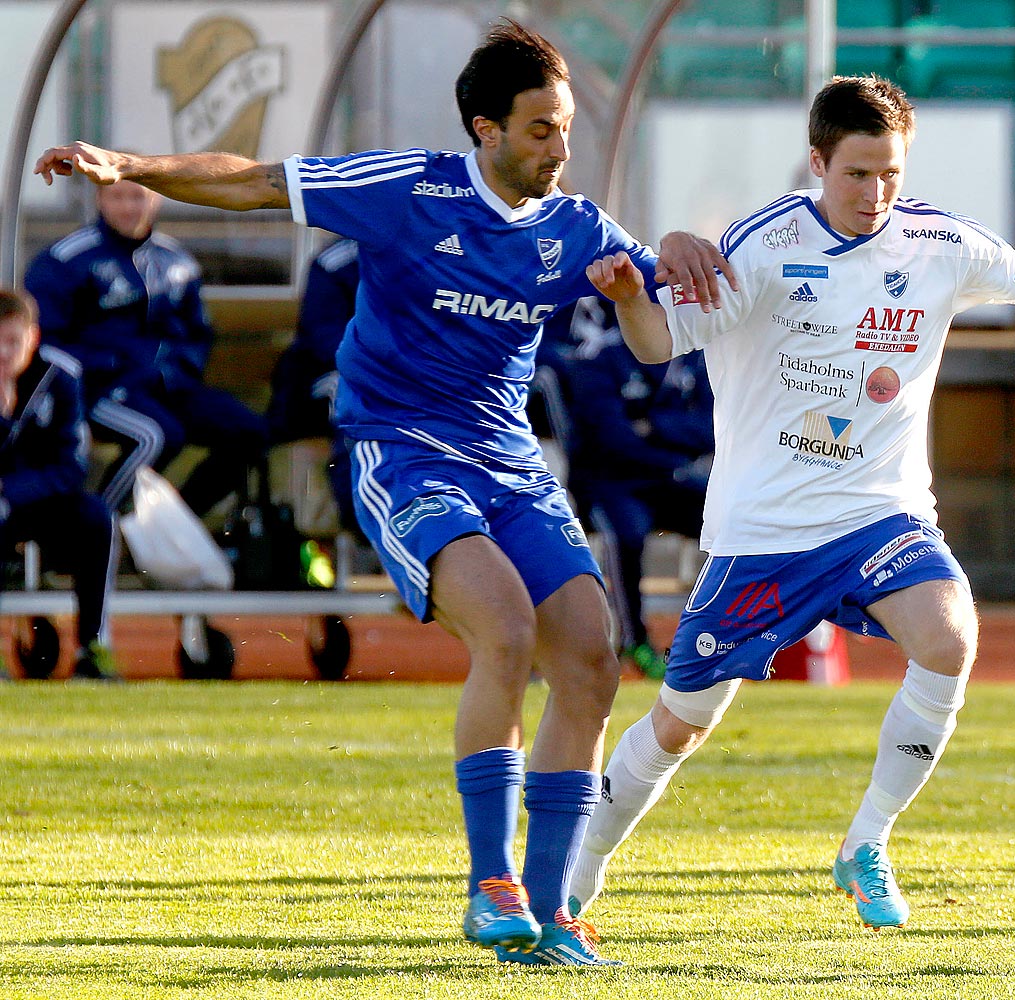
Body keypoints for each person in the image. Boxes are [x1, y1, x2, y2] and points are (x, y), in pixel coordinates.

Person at [34, 18, 728, 967]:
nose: (562, 150)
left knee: (593, 659)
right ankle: (494, 887)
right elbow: (252, 180)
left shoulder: (576, 229)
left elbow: (654, 341)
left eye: (566, 128)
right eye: (540, 131)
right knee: (508, 630)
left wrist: (638, 291)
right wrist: (130, 164)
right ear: (484, 129)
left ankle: (556, 912)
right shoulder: (409, 189)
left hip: (508, 460)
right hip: (400, 450)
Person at [574, 74, 1015, 931]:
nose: (876, 194)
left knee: (950, 638)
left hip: (882, 513)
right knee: (683, 720)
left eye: (890, 173)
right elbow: (658, 343)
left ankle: (866, 843)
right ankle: (577, 879)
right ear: (817, 162)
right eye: (856, 174)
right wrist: (627, 299)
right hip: (763, 532)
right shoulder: (763, 243)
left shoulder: (939, 243)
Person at [23, 180, 269, 518]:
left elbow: (198, 332)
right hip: (98, 389)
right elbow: (45, 342)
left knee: (249, 433)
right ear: (99, 199)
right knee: (155, 436)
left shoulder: (176, 260)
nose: (128, 207)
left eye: (138, 196)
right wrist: (107, 365)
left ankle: (177, 527)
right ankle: (94, 533)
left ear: (155, 198)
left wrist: (179, 369)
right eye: (117, 197)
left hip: (168, 386)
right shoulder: (66, 260)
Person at [564, 295, 714, 680]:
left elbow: (713, 429)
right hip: (611, 483)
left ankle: (710, 640)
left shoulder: (694, 356)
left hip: (670, 478)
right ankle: (633, 640)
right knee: (625, 536)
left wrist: (654, 427)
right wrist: (673, 446)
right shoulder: (600, 357)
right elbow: (612, 440)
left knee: (730, 521)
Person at [0, 288, 118, 681]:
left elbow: (70, 466)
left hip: (37, 499)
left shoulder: (60, 377)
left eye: (13, 341)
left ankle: (92, 648)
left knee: (94, 518)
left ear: (32, 338)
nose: (3, 353)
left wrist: (11, 493)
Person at [267, 238, 361, 537]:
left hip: (411, 378)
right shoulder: (336, 261)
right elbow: (325, 337)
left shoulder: (424, 251)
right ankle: (358, 516)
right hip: (334, 372)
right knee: (352, 405)